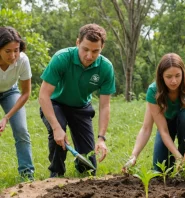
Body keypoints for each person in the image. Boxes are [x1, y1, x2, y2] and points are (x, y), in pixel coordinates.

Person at [38, 24, 116, 177]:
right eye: (85, 49)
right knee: (58, 133)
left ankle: (80, 169)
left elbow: (105, 105)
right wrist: (56, 128)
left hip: (81, 107)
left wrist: (101, 138)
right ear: (78, 43)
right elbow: (43, 95)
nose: (89, 56)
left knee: (89, 168)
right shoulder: (62, 58)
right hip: (56, 103)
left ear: (102, 47)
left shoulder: (106, 68)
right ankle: (56, 174)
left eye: (95, 51)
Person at [122, 53, 185, 172]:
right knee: (160, 170)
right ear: (161, 76)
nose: (174, 81)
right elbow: (156, 129)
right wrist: (134, 155)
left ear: (183, 73)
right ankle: (180, 159)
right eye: (169, 76)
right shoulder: (153, 90)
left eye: (178, 75)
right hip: (166, 126)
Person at [0, 27, 35, 180]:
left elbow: (26, 92)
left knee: (21, 130)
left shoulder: (22, 60)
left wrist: (6, 117)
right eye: (8, 51)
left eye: (16, 50)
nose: (13, 55)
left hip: (10, 92)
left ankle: (27, 175)